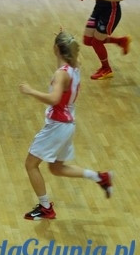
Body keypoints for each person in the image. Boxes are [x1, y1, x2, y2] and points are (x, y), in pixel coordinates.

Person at [19, 30, 113, 221]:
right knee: (56, 168)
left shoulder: (61, 74)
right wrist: (64, 37)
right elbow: (69, 56)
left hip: (57, 126)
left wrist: (30, 91)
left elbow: (54, 99)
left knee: (30, 165)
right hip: (68, 125)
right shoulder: (76, 66)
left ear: (56, 49)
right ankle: (100, 177)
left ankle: (45, 208)